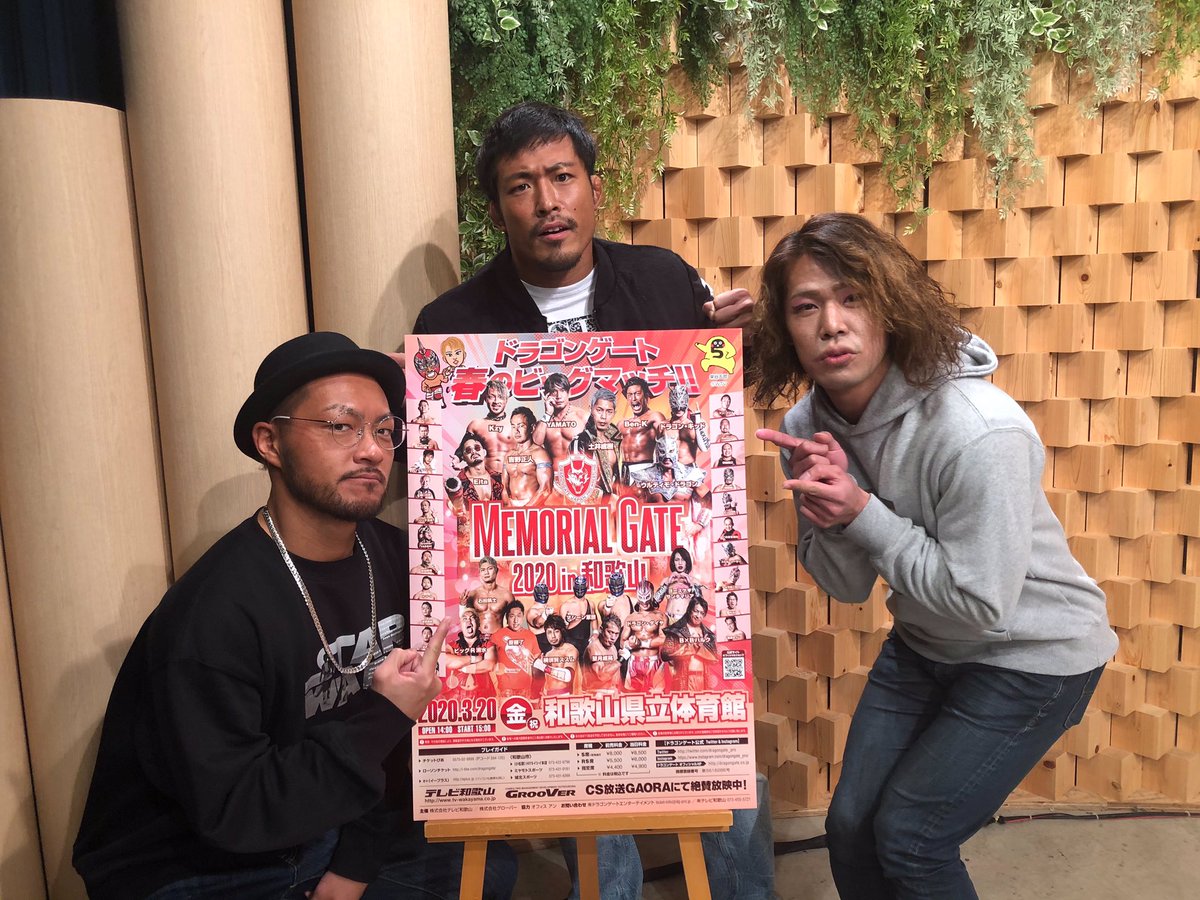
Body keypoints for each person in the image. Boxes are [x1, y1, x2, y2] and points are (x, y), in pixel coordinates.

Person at [413, 101, 770, 900]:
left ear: (594, 188)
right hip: (542, 575)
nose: (547, 202)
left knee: (721, 742)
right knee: (585, 748)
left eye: (562, 177)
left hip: (666, 558)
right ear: (497, 209)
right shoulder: (453, 324)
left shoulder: (665, 282)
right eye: (520, 186)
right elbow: (447, 476)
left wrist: (742, 343)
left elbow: (706, 414)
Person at [73, 331, 515, 899]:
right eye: (341, 426)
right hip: (205, 856)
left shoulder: (402, 560)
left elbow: (402, 750)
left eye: (384, 430)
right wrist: (383, 714)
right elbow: (234, 808)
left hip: (330, 817)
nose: (372, 450)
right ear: (270, 443)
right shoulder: (213, 612)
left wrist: (353, 868)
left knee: (487, 869)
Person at [752, 213, 1116, 899]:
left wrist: (863, 511)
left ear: (890, 307)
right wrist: (838, 520)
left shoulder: (980, 429)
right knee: (850, 827)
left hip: (1034, 655)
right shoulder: (807, 428)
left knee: (912, 838)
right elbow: (847, 586)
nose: (832, 324)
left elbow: (982, 605)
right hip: (927, 642)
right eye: (806, 306)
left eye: (853, 298)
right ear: (785, 328)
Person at [569, 386, 623, 494]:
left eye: (609, 411)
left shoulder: (617, 439)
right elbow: (576, 483)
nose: (603, 416)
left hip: (616, 501)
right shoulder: (580, 442)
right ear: (591, 409)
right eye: (599, 410)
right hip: (592, 502)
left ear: (614, 413)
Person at [502, 405, 552, 506]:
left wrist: (525, 510)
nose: (516, 431)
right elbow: (504, 488)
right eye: (513, 426)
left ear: (532, 428)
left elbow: (545, 489)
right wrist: (508, 506)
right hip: (512, 506)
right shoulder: (508, 456)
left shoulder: (540, 454)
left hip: (533, 506)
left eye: (521, 426)